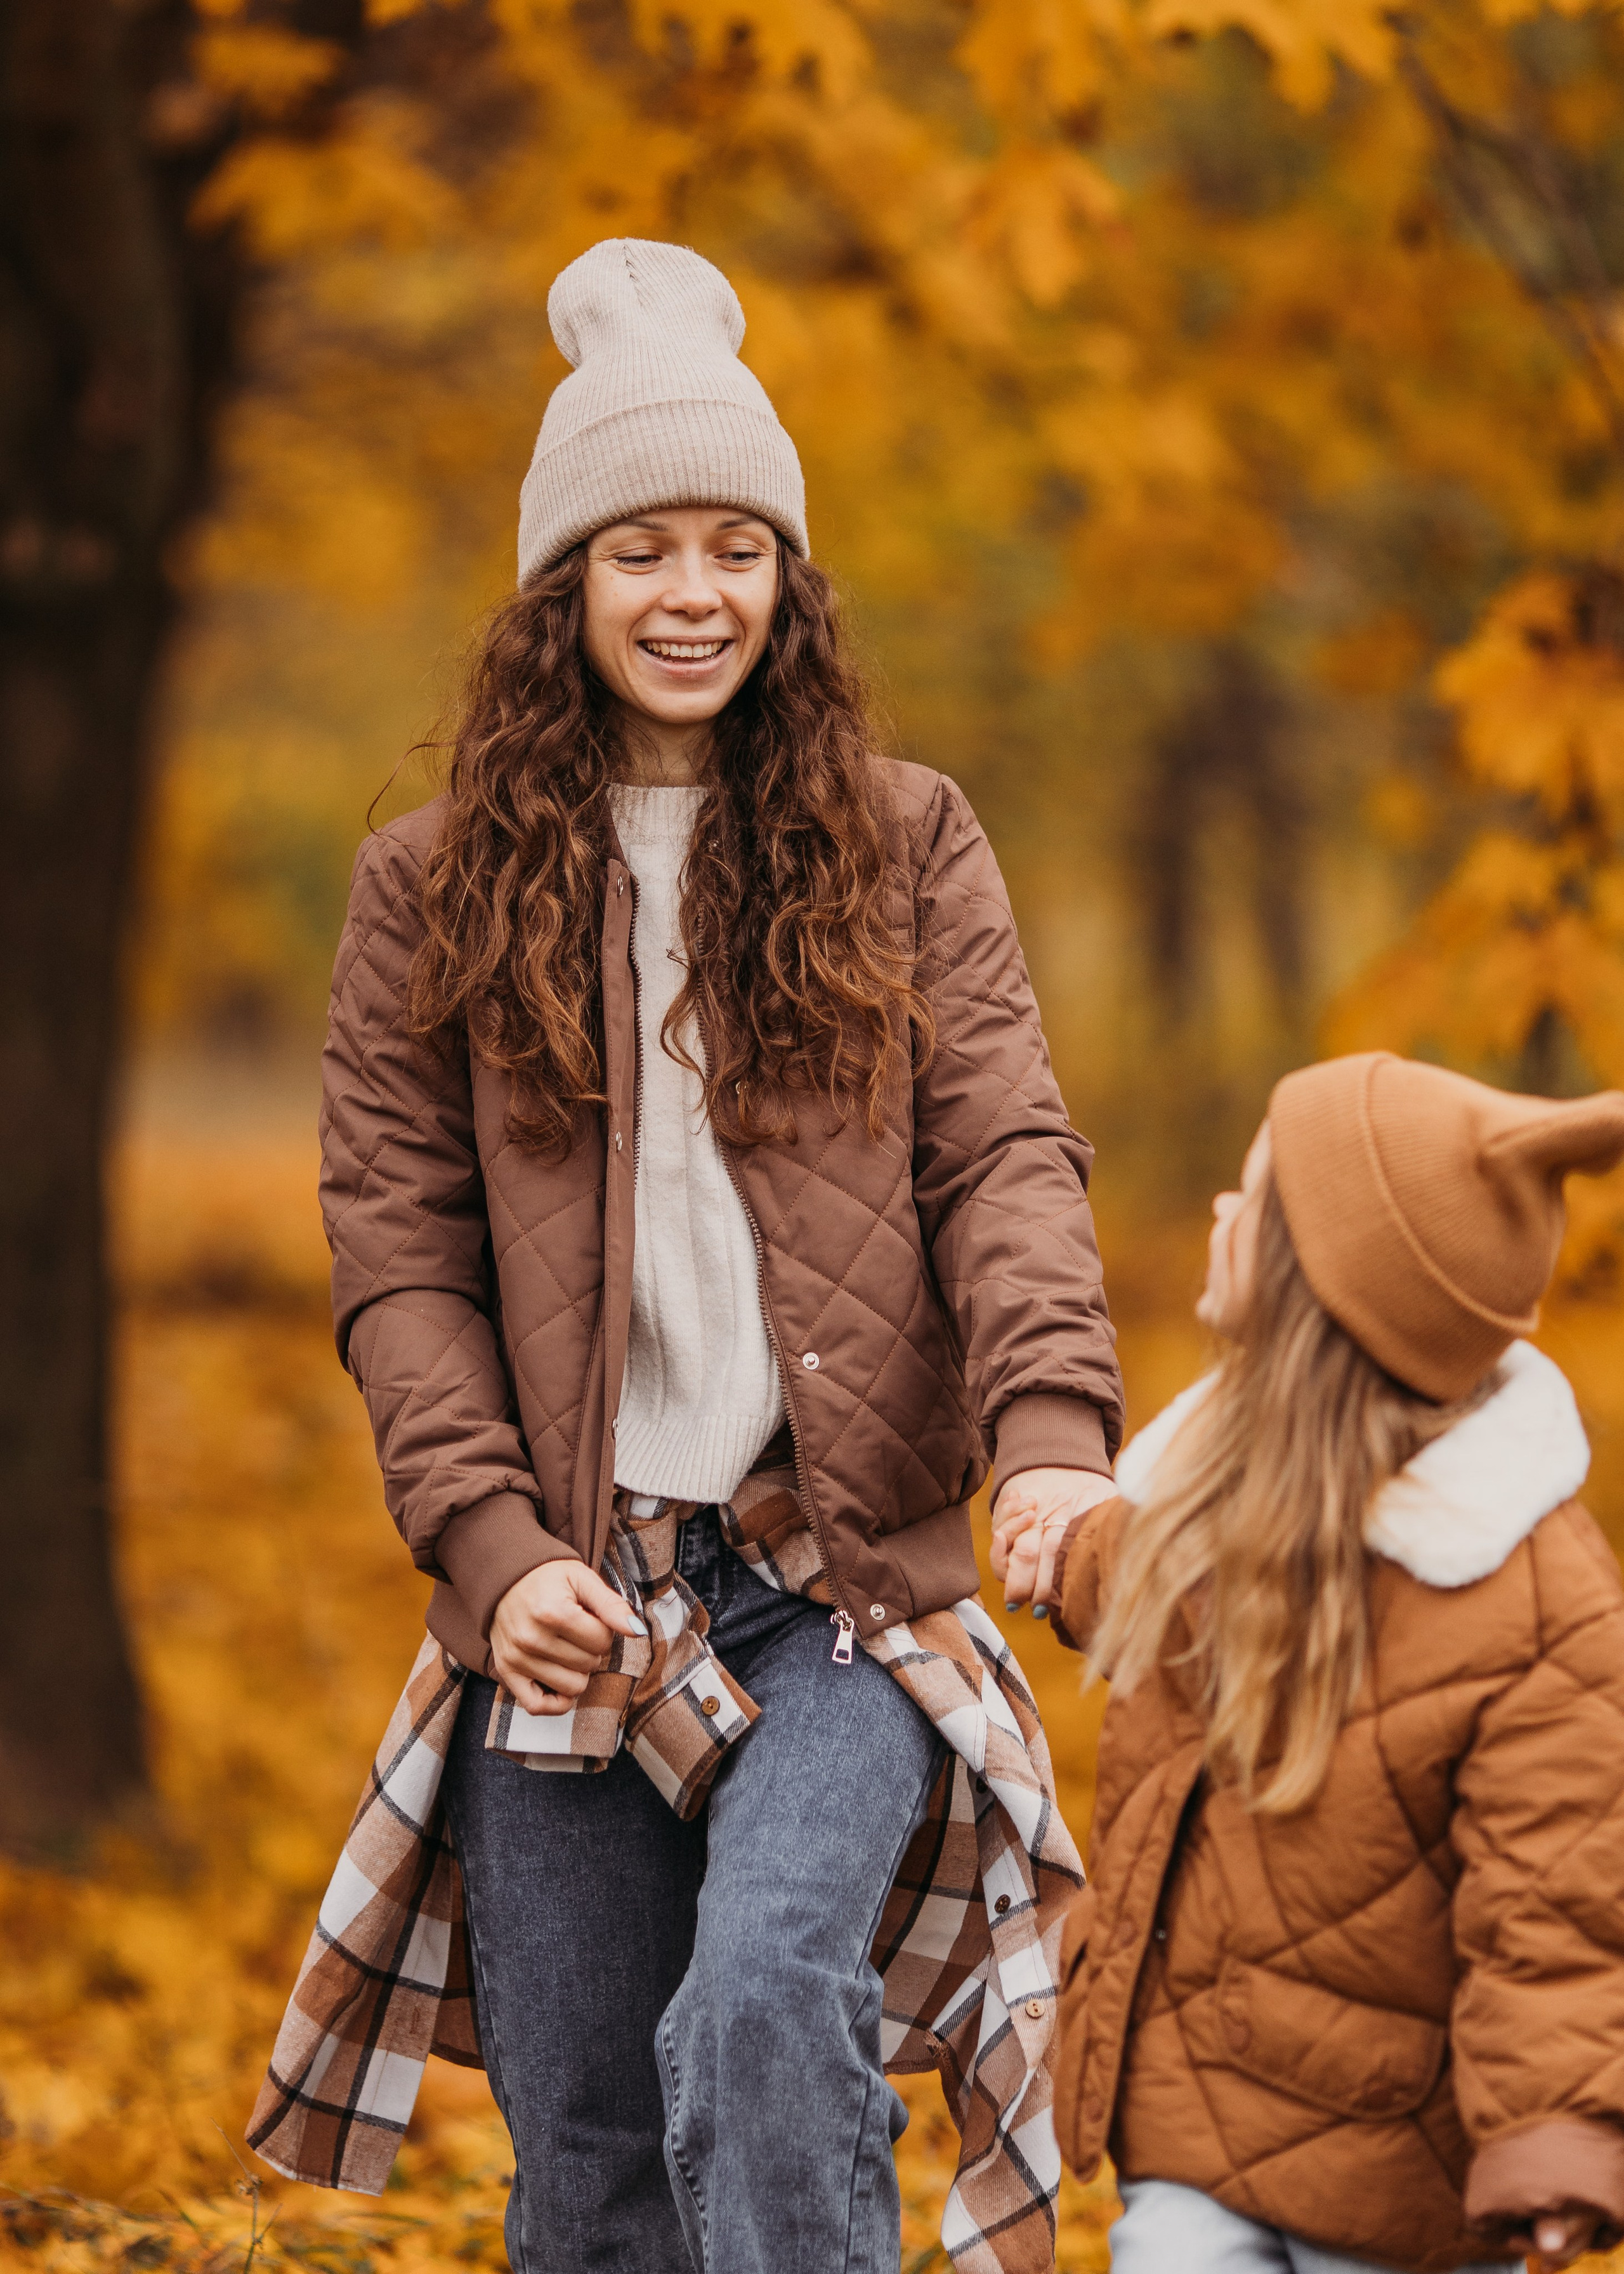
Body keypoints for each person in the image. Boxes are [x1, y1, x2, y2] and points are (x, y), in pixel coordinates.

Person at [251, 238, 1123, 2274]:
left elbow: (1005, 1155)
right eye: (643, 549)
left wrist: (1059, 1430)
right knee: (590, 2147)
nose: (695, 594)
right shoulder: (428, 889)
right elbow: (398, 1261)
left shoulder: (905, 844)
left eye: (739, 547)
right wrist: (492, 1553)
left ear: (788, 586)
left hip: (838, 1583)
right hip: (575, 1588)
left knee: (760, 1998)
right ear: (566, 590)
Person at [994, 1050, 1624, 2274]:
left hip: (1403, 2171)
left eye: (1253, 1201)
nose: (1222, 1214)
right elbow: (1144, 1565)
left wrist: (1555, 2140)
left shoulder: (1539, 1606)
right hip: (1198, 2103)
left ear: (1324, 1292)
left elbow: (1553, 1903)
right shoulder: (1220, 1487)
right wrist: (1066, 1555)